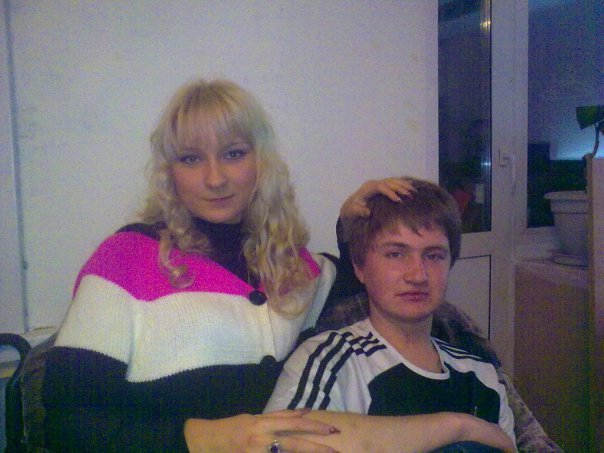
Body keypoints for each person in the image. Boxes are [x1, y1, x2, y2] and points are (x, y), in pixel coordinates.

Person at [42, 79, 513, 453]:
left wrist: (353, 220)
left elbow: (380, 276)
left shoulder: (293, 267)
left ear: (261, 162)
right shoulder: (124, 259)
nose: (215, 178)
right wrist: (205, 438)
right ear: (170, 172)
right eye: (191, 158)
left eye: (233, 153)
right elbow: (65, 425)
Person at [265, 177, 516, 451]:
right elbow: (278, 440)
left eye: (433, 256)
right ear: (359, 267)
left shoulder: (483, 376)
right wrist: (460, 427)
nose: (418, 275)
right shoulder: (328, 362)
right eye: (396, 254)